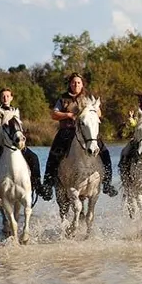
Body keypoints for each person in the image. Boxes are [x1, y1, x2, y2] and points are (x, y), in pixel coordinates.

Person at [41, 72, 118, 200]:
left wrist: (92, 110)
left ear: (82, 84)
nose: (75, 84)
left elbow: (98, 113)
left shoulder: (88, 98)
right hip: (67, 131)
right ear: (70, 84)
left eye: (78, 82)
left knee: (105, 153)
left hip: (86, 132)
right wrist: (68, 115)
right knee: (54, 153)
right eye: (73, 82)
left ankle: (107, 183)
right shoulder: (63, 99)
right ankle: (48, 184)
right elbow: (54, 115)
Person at [0, 87, 45, 203]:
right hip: (0, 144)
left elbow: (18, 126)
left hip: (16, 144)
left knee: (34, 157)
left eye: (7, 96)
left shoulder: (16, 110)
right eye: (3, 96)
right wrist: (1, 127)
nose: (5, 98)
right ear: (0, 98)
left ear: (11, 98)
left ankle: (37, 184)